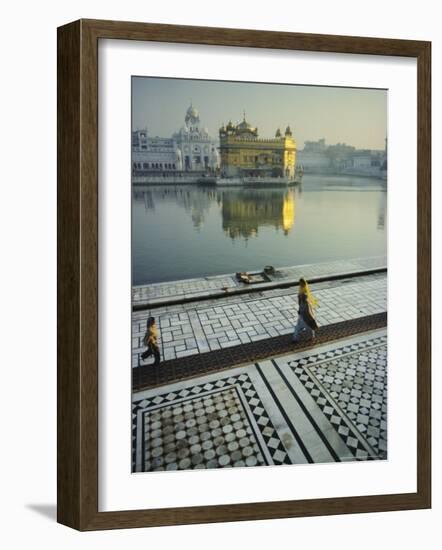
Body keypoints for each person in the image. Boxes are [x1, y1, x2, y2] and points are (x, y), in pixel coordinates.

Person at [293, 277, 318, 343]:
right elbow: (300, 303)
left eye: (301, 283)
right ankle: (296, 338)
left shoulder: (304, 294)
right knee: (302, 326)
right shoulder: (302, 290)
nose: (300, 285)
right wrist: (300, 310)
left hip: (305, 313)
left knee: (302, 326)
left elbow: (304, 304)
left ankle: (296, 339)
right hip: (303, 312)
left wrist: (302, 311)